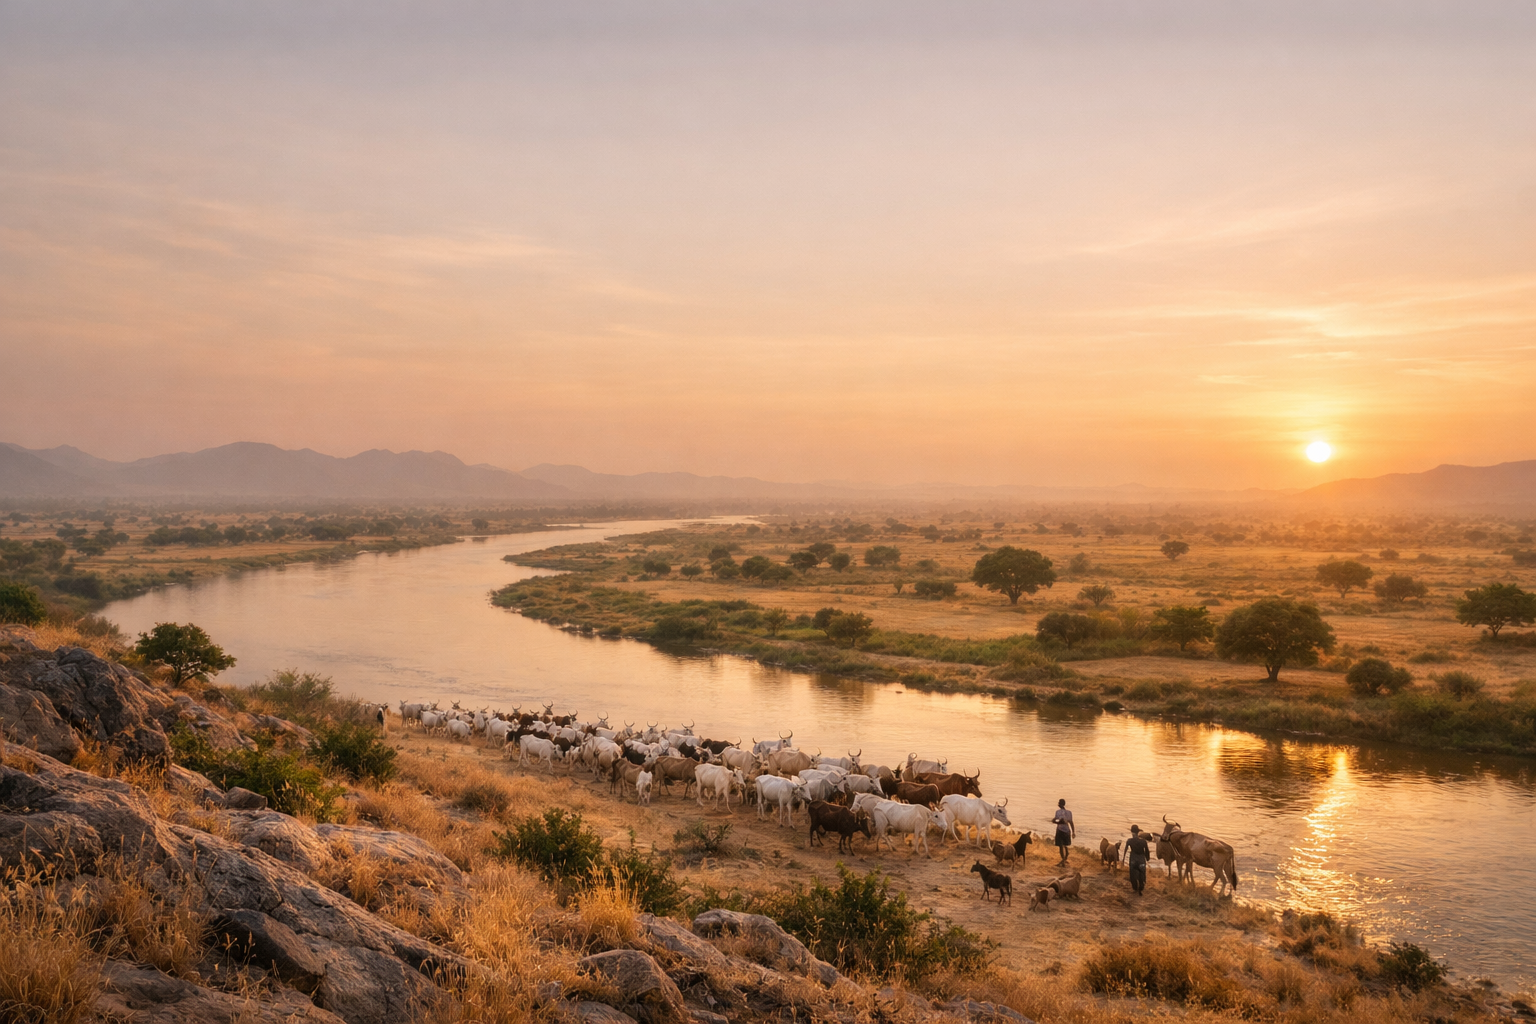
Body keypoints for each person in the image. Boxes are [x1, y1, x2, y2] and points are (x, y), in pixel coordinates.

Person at [1126, 824, 1151, 895]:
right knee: (1142, 873)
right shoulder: (1143, 841)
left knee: (1132, 874)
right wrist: (1148, 858)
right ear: (1138, 832)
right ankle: (1141, 887)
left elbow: (1125, 850)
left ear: (1132, 832)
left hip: (1133, 859)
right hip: (1141, 859)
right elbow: (1147, 851)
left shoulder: (1129, 841)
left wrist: (1123, 859)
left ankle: (1135, 888)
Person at [1051, 798, 1074, 865]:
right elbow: (1071, 823)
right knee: (1065, 845)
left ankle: (1063, 861)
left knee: (1061, 846)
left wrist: (1056, 822)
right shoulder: (1069, 812)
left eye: (1059, 803)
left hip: (1060, 830)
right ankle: (1064, 858)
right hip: (1067, 830)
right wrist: (1073, 832)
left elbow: (1055, 821)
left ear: (1060, 804)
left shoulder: (1058, 812)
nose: (1058, 804)